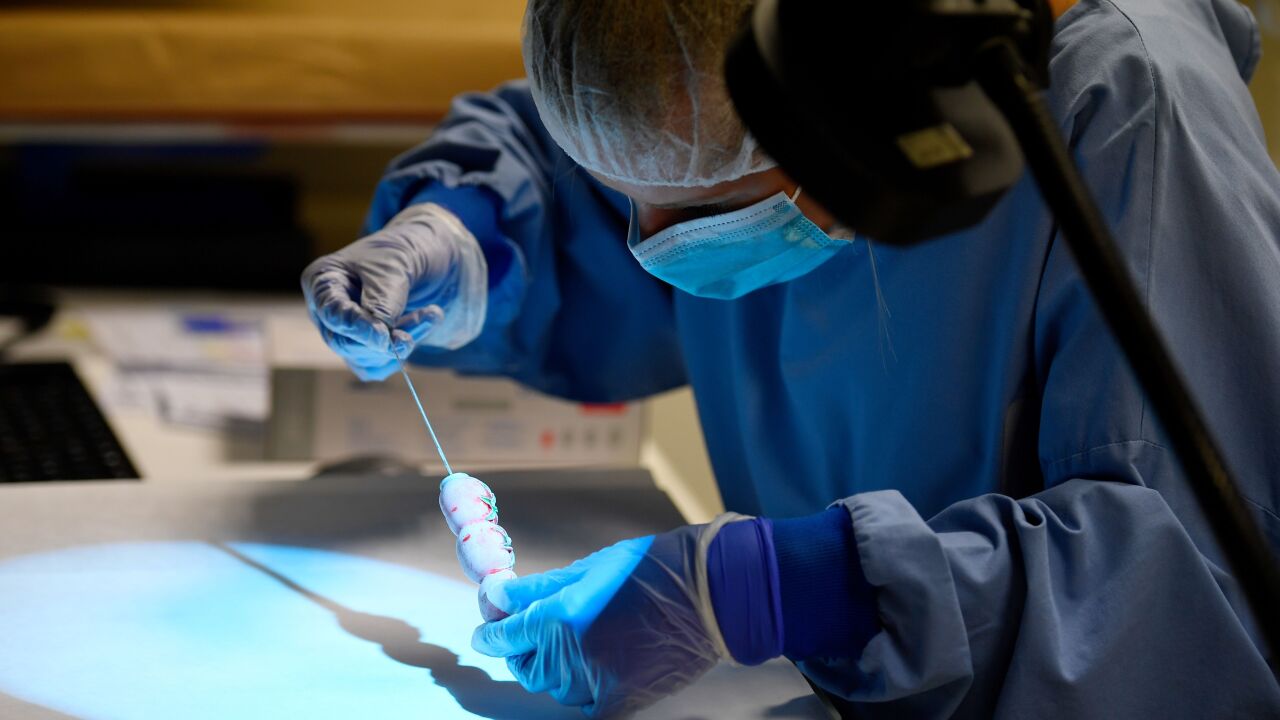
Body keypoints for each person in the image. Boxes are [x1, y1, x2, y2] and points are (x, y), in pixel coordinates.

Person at [302, 0, 1280, 716]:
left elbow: (1196, 587)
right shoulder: (712, 87)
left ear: (861, 119)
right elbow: (644, 147)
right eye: (619, 193)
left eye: (698, 213)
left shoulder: (1123, 105)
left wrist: (786, 587)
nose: (644, 238)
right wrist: (470, 230)